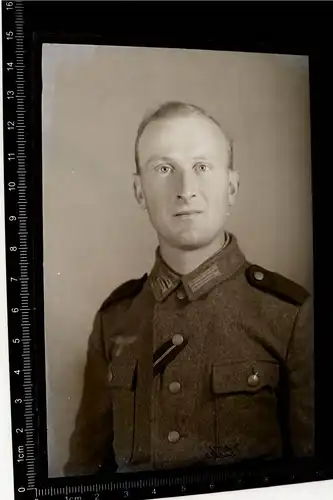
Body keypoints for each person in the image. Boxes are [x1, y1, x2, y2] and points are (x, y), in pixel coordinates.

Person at [64, 101, 314, 476]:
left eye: (202, 167)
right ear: (138, 190)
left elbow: (316, 476)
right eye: (164, 169)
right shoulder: (114, 319)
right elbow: (84, 475)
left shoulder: (291, 314)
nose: (185, 189)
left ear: (231, 187)